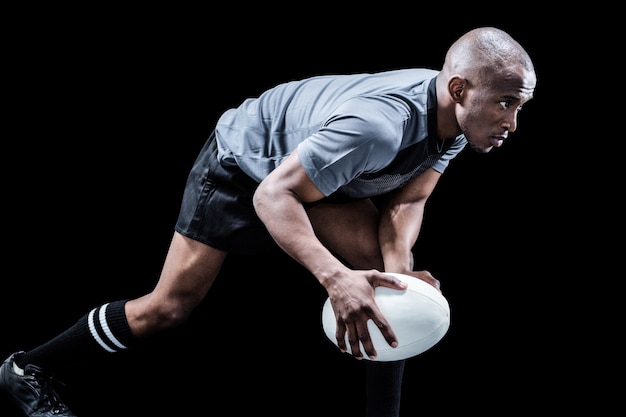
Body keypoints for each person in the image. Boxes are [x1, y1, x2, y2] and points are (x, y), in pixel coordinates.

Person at [0, 26, 536, 417]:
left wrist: (396, 273)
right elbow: (272, 195)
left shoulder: (461, 123)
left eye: (521, 106)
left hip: (323, 175)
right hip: (246, 167)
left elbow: (408, 201)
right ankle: (30, 367)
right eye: (506, 104)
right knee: (167, 310)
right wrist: (334, 278)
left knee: (383, 283)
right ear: (461, 89)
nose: (512, 122)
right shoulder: (379, 127)